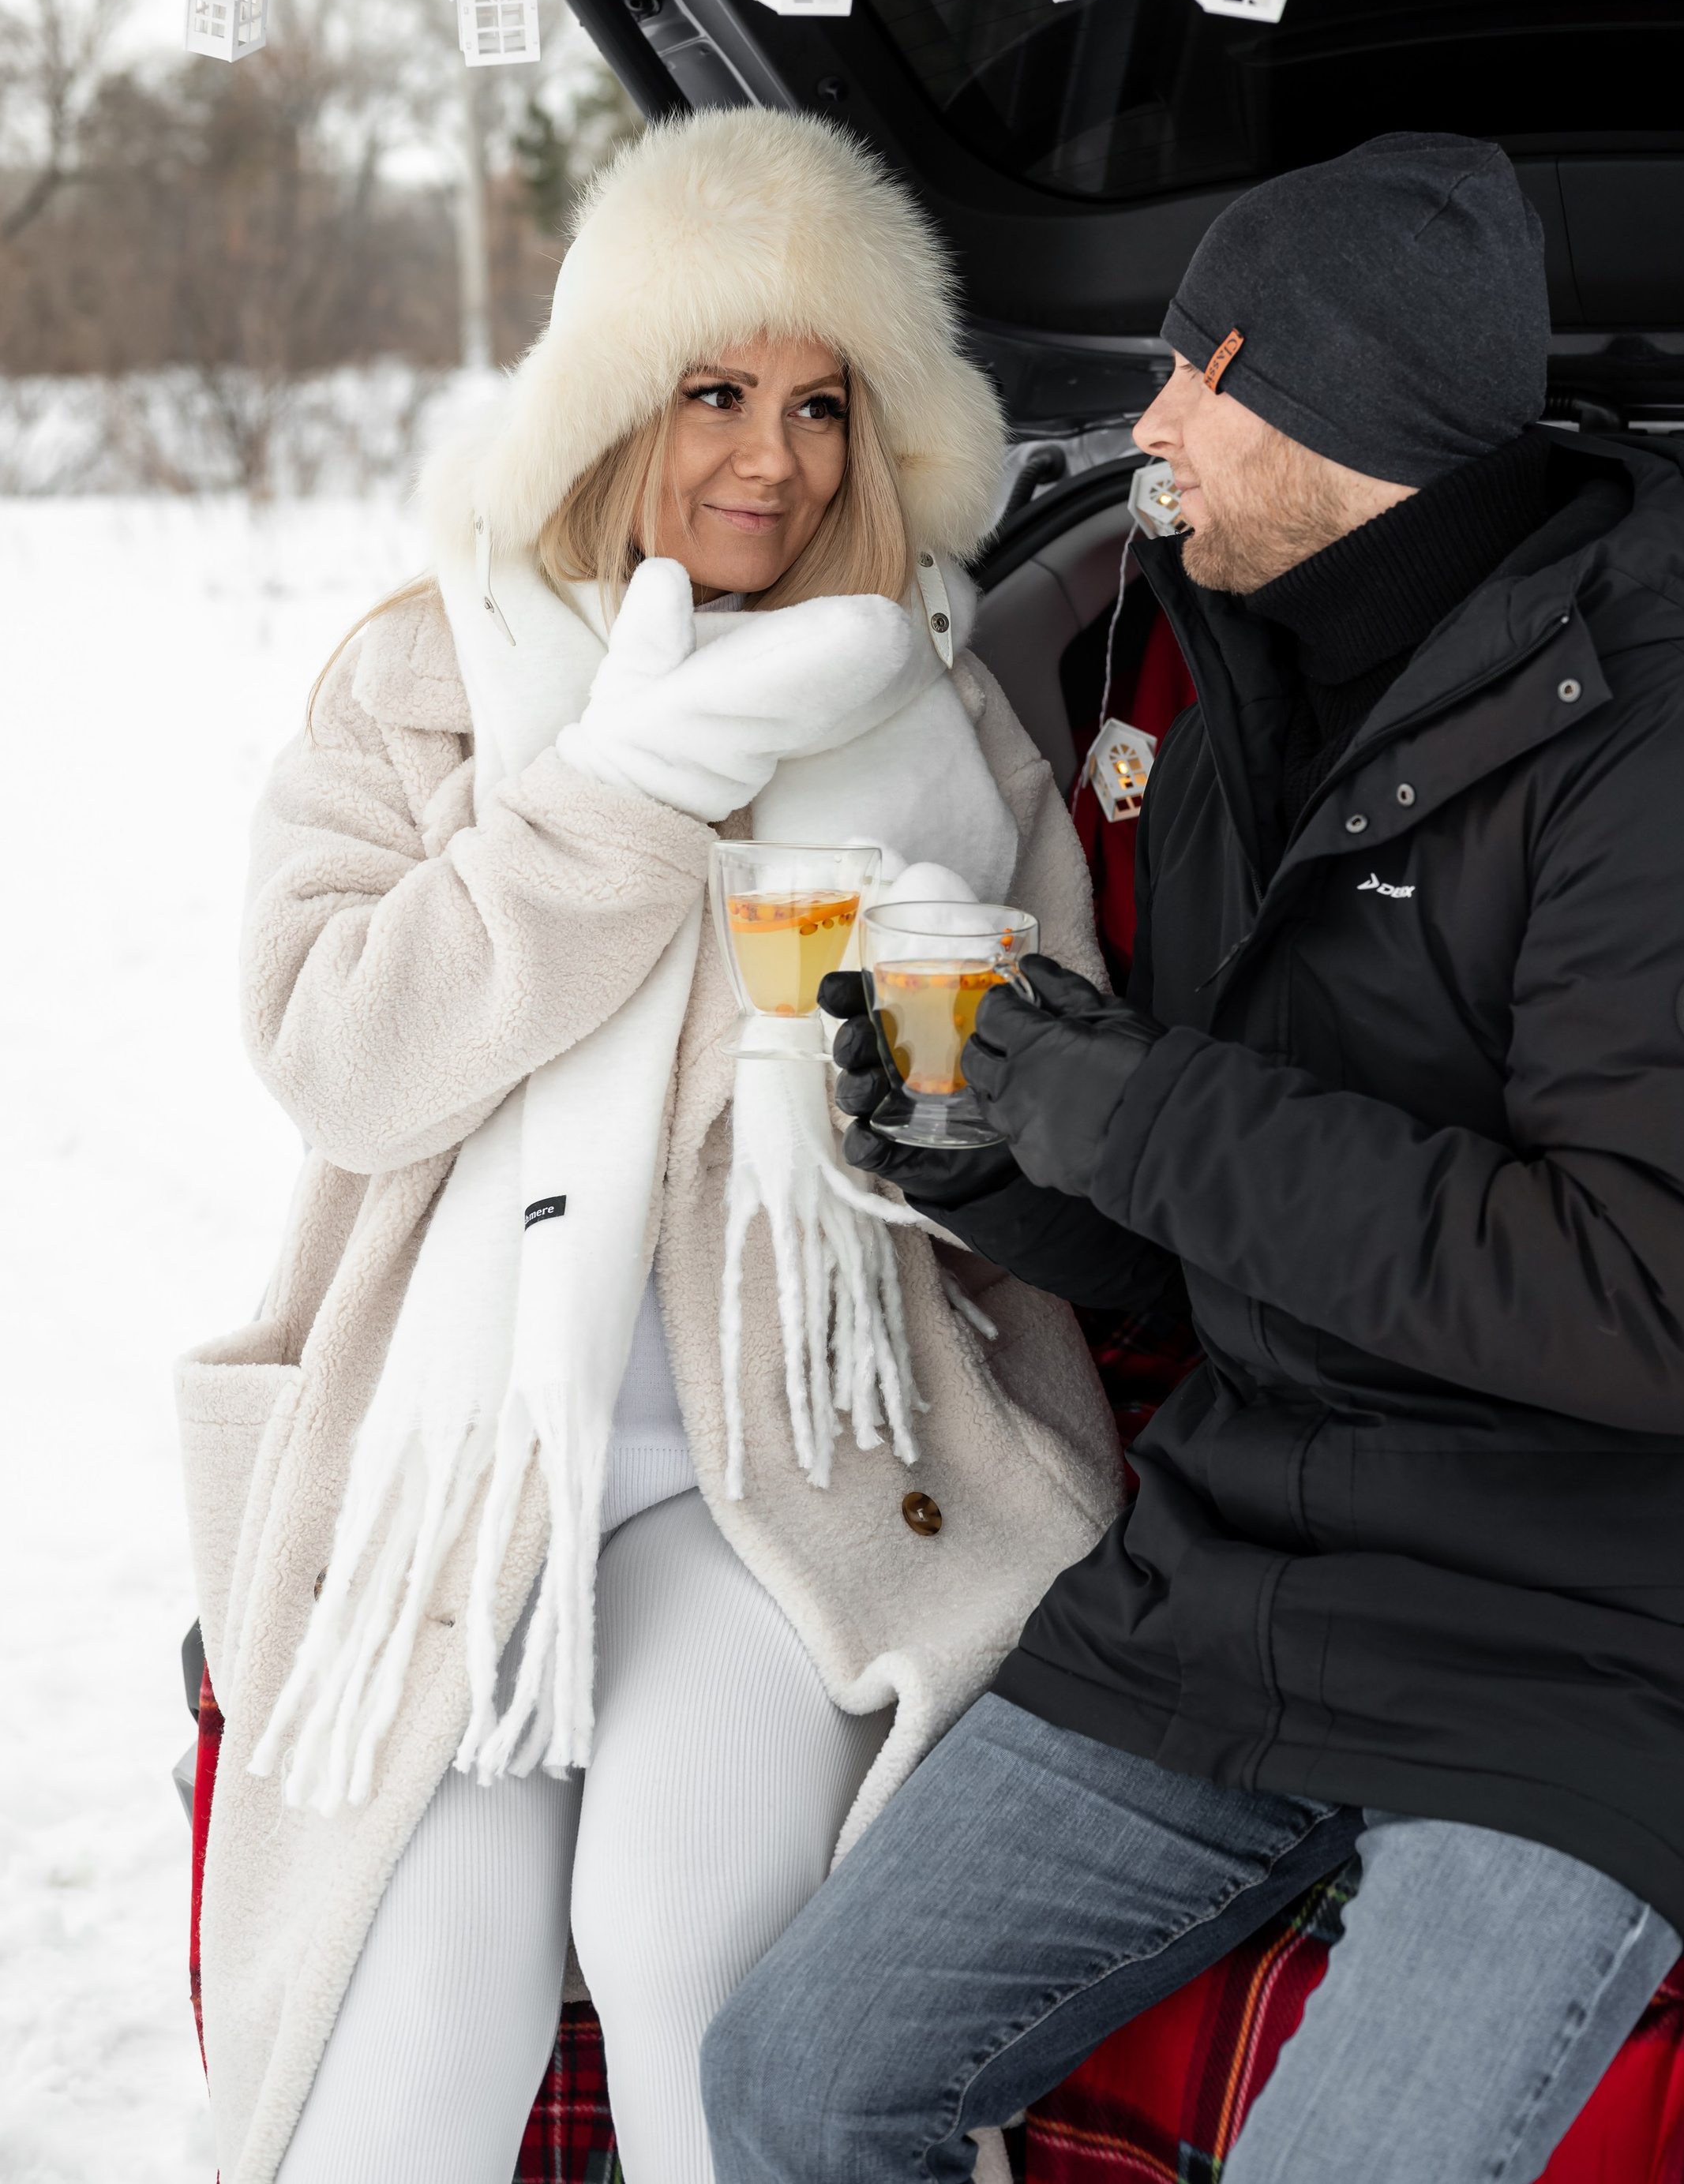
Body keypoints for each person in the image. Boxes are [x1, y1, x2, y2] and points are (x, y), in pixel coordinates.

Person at [703, 130, 1684, 2184]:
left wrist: (1125, 1102)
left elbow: (1675, 1309)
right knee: (792, 2082)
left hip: (1607, 1631)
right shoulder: (1236, 713)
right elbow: (1234, 1247)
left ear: (1353, 410)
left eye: (1204, 370)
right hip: (1240, 1577)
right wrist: (990, 1154)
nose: (1152, 422)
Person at [175, 109, 1124, 2184]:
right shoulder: (425, 674)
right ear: (615, 396)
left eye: (820, 403)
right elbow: (343, 1058)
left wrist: (938, 1107)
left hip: (791, 1452)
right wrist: (627, 792)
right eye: (714, 392)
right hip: (453, 1462)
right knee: (408, 2036)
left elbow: (1052, 1128)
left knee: (692, 1939)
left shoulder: (932, 713)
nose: (770, 460)